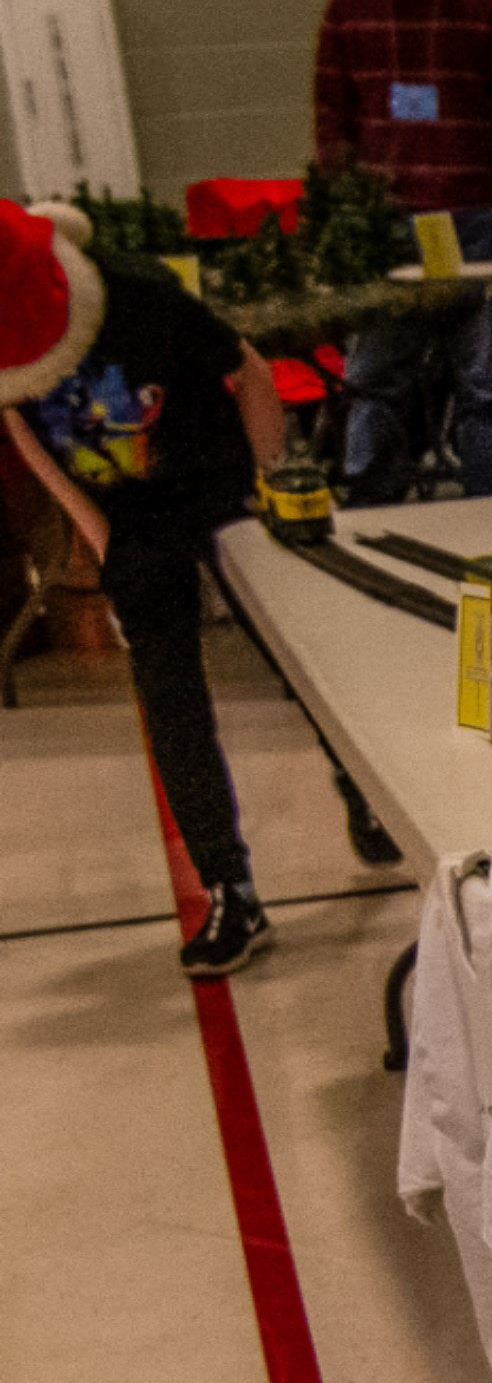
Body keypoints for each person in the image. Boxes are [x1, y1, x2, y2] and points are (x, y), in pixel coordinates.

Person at [6, 205, 295, 977]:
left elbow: (248, 368)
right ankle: (232, 891)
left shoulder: (135, 291)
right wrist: (96, 534)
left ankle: (360, 794)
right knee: (171, 703)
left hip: (221, 492)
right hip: (131, 518)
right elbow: (22, 426)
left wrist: (274, 488)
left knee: (299, 666)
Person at [313, 0, 492, 503]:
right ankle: (368, 507)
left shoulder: (489, 10)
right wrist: (351, 216)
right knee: (373, 378)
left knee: (485, 385)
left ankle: (488, 506)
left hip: (475, 222)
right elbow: (331, 124)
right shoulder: (348, 14)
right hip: (388, 228)